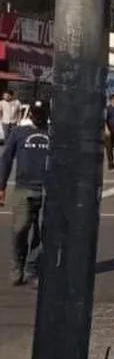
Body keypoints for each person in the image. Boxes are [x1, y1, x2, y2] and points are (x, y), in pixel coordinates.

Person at [1, 100, 50, 287]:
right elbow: (5, 159)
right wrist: (1, 187)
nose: (39, 117)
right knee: (19, 229)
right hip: (24, 189)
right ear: (31, 114)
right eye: (36, 114)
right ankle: (17, 265)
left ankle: (32, 269)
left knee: (43, 234)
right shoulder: (19, 133)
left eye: (42, 114)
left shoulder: (54, 134)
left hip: (48, 190)